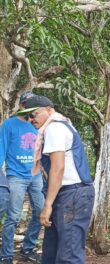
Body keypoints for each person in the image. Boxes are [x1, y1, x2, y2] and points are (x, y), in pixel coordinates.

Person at [17, 95, 95, 264]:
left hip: (73, 195)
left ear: (49, 110)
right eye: (27, 116)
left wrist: (47, 205)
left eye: (34, 114)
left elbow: (58, 168)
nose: (31, 120)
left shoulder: (54, 128)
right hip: (64, 195)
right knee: (51, 254)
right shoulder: (52, 129)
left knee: (69, 255)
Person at [0, 92, 44, 264]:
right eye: (27, 105)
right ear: (21, 106)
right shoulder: (9, 125)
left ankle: (28, 248)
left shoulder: (38, 125)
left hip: (36, 175)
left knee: (41, 212)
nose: (30, 110)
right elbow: (1, 149)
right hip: (15, 176)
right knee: (13, 217)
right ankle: (6, 254)